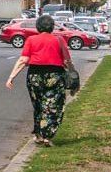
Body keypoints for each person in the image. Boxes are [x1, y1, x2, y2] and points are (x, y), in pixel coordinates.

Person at [6, 14, 76, 146]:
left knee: (38, 106)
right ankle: (47, 136)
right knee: (52, 107)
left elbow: (23, 60)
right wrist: (73, 74)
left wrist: (11, 77)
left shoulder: (31, 40)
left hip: (34, 76)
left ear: (38, 27)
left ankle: (38, 135)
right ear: (52, 27)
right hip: (55, 76)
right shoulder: (59, 40)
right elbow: (67, 61)